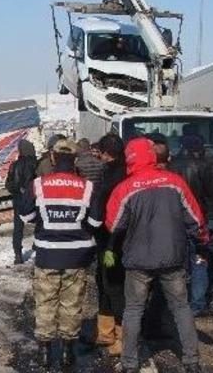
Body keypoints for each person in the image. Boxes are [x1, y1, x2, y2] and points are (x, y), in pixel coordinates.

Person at [105, 137, 207, 373]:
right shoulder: (175, 182)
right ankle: (192, 361)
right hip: (172, 257)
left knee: (133, 310)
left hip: (138, 261)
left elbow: (114, 224)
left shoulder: (125, 188)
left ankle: (130, 363)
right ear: (151, 155)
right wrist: (202, 242)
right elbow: (195, 218)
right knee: (181, 308)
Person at [20, 139, 100, 368]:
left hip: (47, 254)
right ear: (75, 160)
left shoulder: (38, 184)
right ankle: (68, 352)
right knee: (71, 305)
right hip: (77, 256)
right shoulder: (87, 187)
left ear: (53, 158)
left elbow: (26, 216)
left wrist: (45, 220)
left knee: (45, 302)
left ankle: (45, 352)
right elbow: (95, 221)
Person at [169, 134, 213, 317]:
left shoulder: (173, 168)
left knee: (178, 261)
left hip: (181, 220)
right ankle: (198, 303)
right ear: (202, 148)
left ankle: (176, 302)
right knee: (201, 260)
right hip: (209, 221)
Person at [89, 133, 127, 354]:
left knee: (109, 284)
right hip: (128, 239)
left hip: (109, 240)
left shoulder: (108, 177)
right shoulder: (129, 173)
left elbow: (99, 211)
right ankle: (113, 334)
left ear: (105, 153)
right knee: (117, 285)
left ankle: (112, 335)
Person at [5, 139, 37, 265]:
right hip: (34, 199)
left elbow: (8, 184)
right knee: (40, 223)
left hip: (18, 199)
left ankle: (18, 254)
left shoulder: (14, 165)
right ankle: (37, 248)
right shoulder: (36, 164)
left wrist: (18, 189)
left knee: (18, 228)